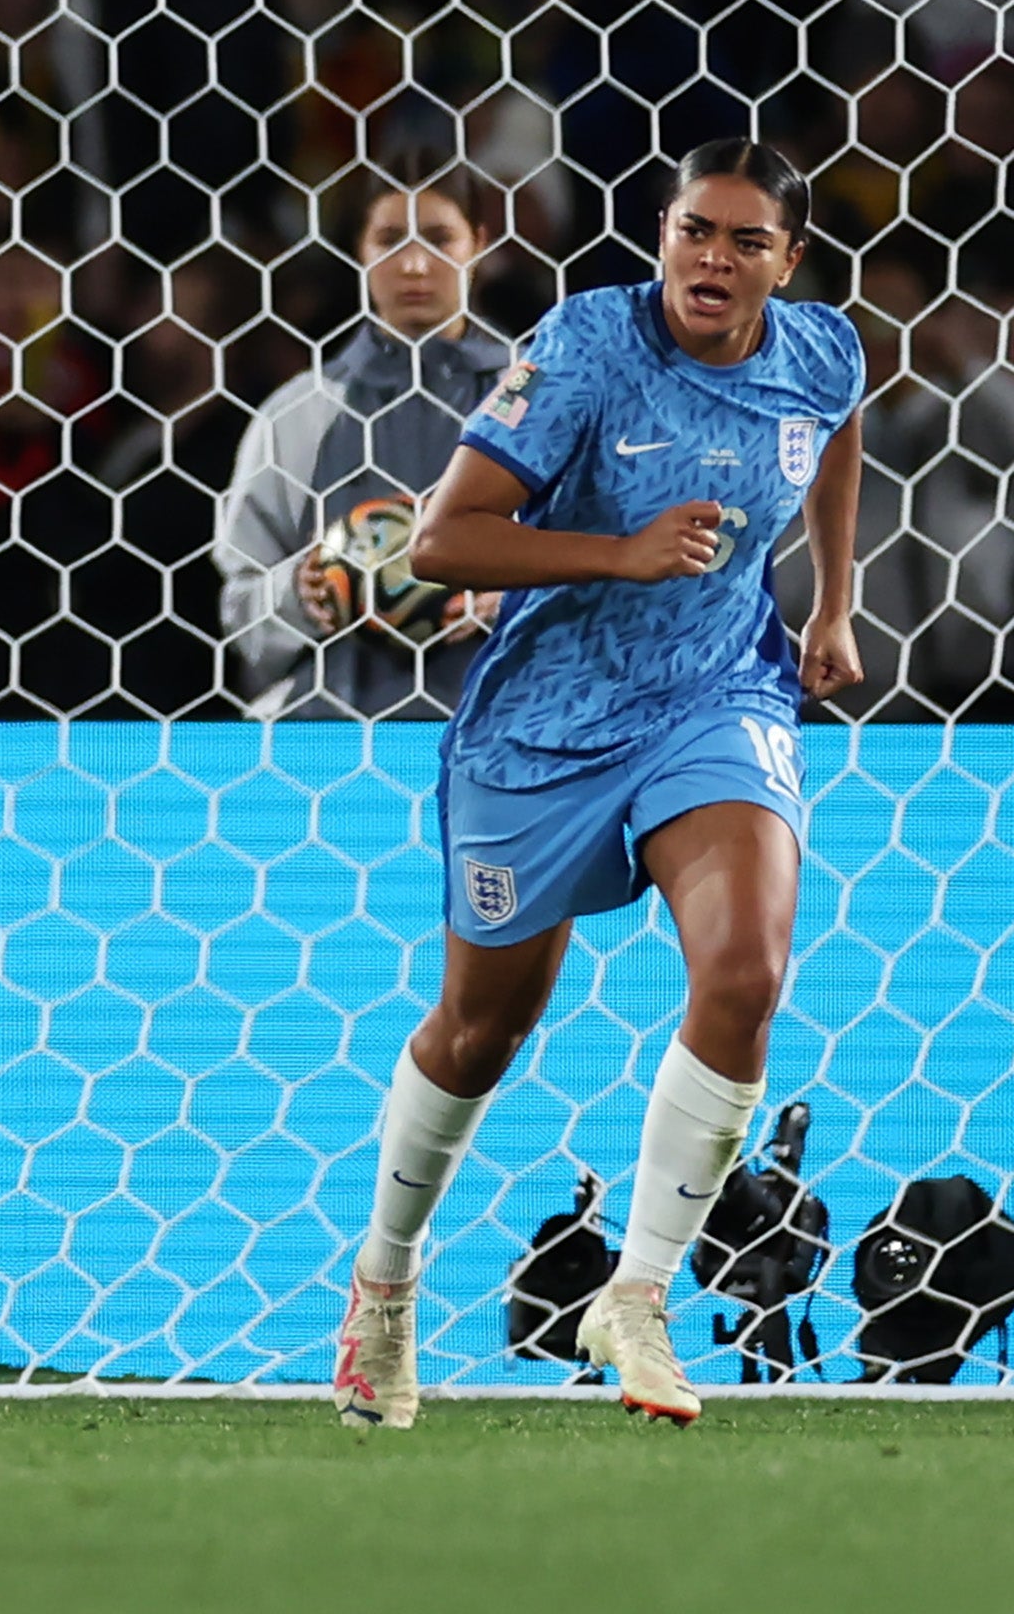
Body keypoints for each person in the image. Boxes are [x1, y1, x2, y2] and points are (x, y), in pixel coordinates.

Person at [332, 139, 864, 1428]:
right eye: (695, 231)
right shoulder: (584, 346)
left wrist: (834, 604)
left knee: (746, 974)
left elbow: (833, 434)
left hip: (713, 698)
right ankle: (385, 1285)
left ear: (786, 264)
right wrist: (622, 554)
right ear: (662, 235)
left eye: (746, 241)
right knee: (479, 1031)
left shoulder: (821, 350)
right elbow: (447, 537)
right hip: (545, 724)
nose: (712, 259)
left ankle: (638, 1290)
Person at [218, 154, 514, 719]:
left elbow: (606, 571)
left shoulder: (543, 400)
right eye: (390, 240)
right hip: (329, 740)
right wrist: (299, 595)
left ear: (478, 242)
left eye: (438, 238)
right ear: (359, 249)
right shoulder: (297, 414)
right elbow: (240, 609)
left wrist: (514, 602)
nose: (415, 266)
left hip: (499, 731)